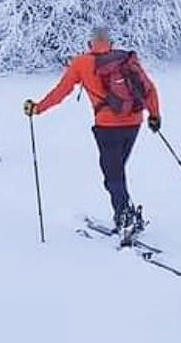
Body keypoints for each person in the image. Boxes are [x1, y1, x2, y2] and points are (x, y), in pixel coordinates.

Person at [23, 26, 161, 235]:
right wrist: (154, 115)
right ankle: (125, 214)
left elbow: (62, 91)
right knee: (116, 170)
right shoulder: (126, 59)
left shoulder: (81, 62)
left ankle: (125, 217)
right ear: (111, 43)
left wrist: (38, 108)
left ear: (90, 44)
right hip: (133, 122)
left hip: (107, 126)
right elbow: (149, 88)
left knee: (112, 174)